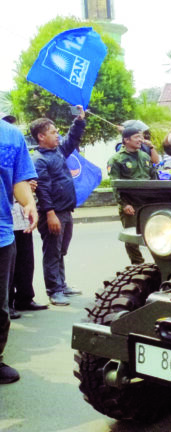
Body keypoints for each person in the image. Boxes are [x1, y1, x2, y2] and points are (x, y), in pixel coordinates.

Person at [30, 107, 86, 306]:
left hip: (65, 211)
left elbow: (72, 139)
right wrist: (50, 214)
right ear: (41, 136)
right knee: (52, 253)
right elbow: (42, 190)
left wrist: (79, 121)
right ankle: (54, 291)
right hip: (52, 214)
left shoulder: (58, 152)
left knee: (60, 251)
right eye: (53, 132)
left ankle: (61, 285)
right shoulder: (39, 160)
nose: (57, 135)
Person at [1, 116, 38, 384]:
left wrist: (29, 203)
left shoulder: (11, 135)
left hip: (1, 237)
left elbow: (18, 178)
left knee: (0, 307)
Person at [107, 127, 157, 264]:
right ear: (126, 140)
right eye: (136, 137)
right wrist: (124, 204)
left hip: (147, 204)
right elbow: (115, 185)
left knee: (156, 234)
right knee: (131, 237)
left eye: (140, 137)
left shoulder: (145, 157)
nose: (140, 140)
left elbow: (154, 179)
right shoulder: (116, 160)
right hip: (131, 204)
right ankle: (137, 264)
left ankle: (159, 263)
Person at [9, 180, 47, 318]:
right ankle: (7, 304)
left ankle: (25, 299)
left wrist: (26, 188)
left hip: (22, 219)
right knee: (8, 266)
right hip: (6, 222)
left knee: (26, 263)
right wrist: (18, 189)